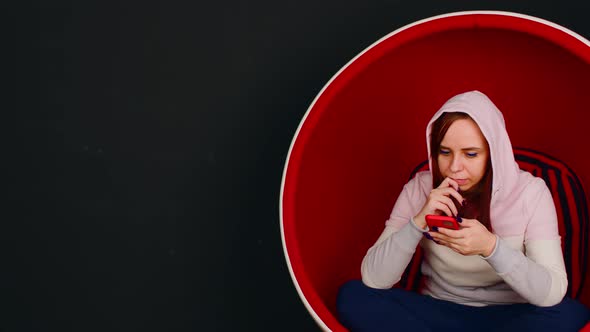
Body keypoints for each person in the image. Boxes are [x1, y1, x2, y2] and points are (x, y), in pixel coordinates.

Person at [336, 91, 590, 331]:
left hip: (508, 316)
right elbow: (374, 278)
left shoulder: (531, 193)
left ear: (494, 153)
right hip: (436, 310)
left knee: (570, 314)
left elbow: (553, 291)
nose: (454, 167)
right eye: (444, 152)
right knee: (353, 296)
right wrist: (418, 222)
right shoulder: (420, 189)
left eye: (471, 154)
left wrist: (492, 247)